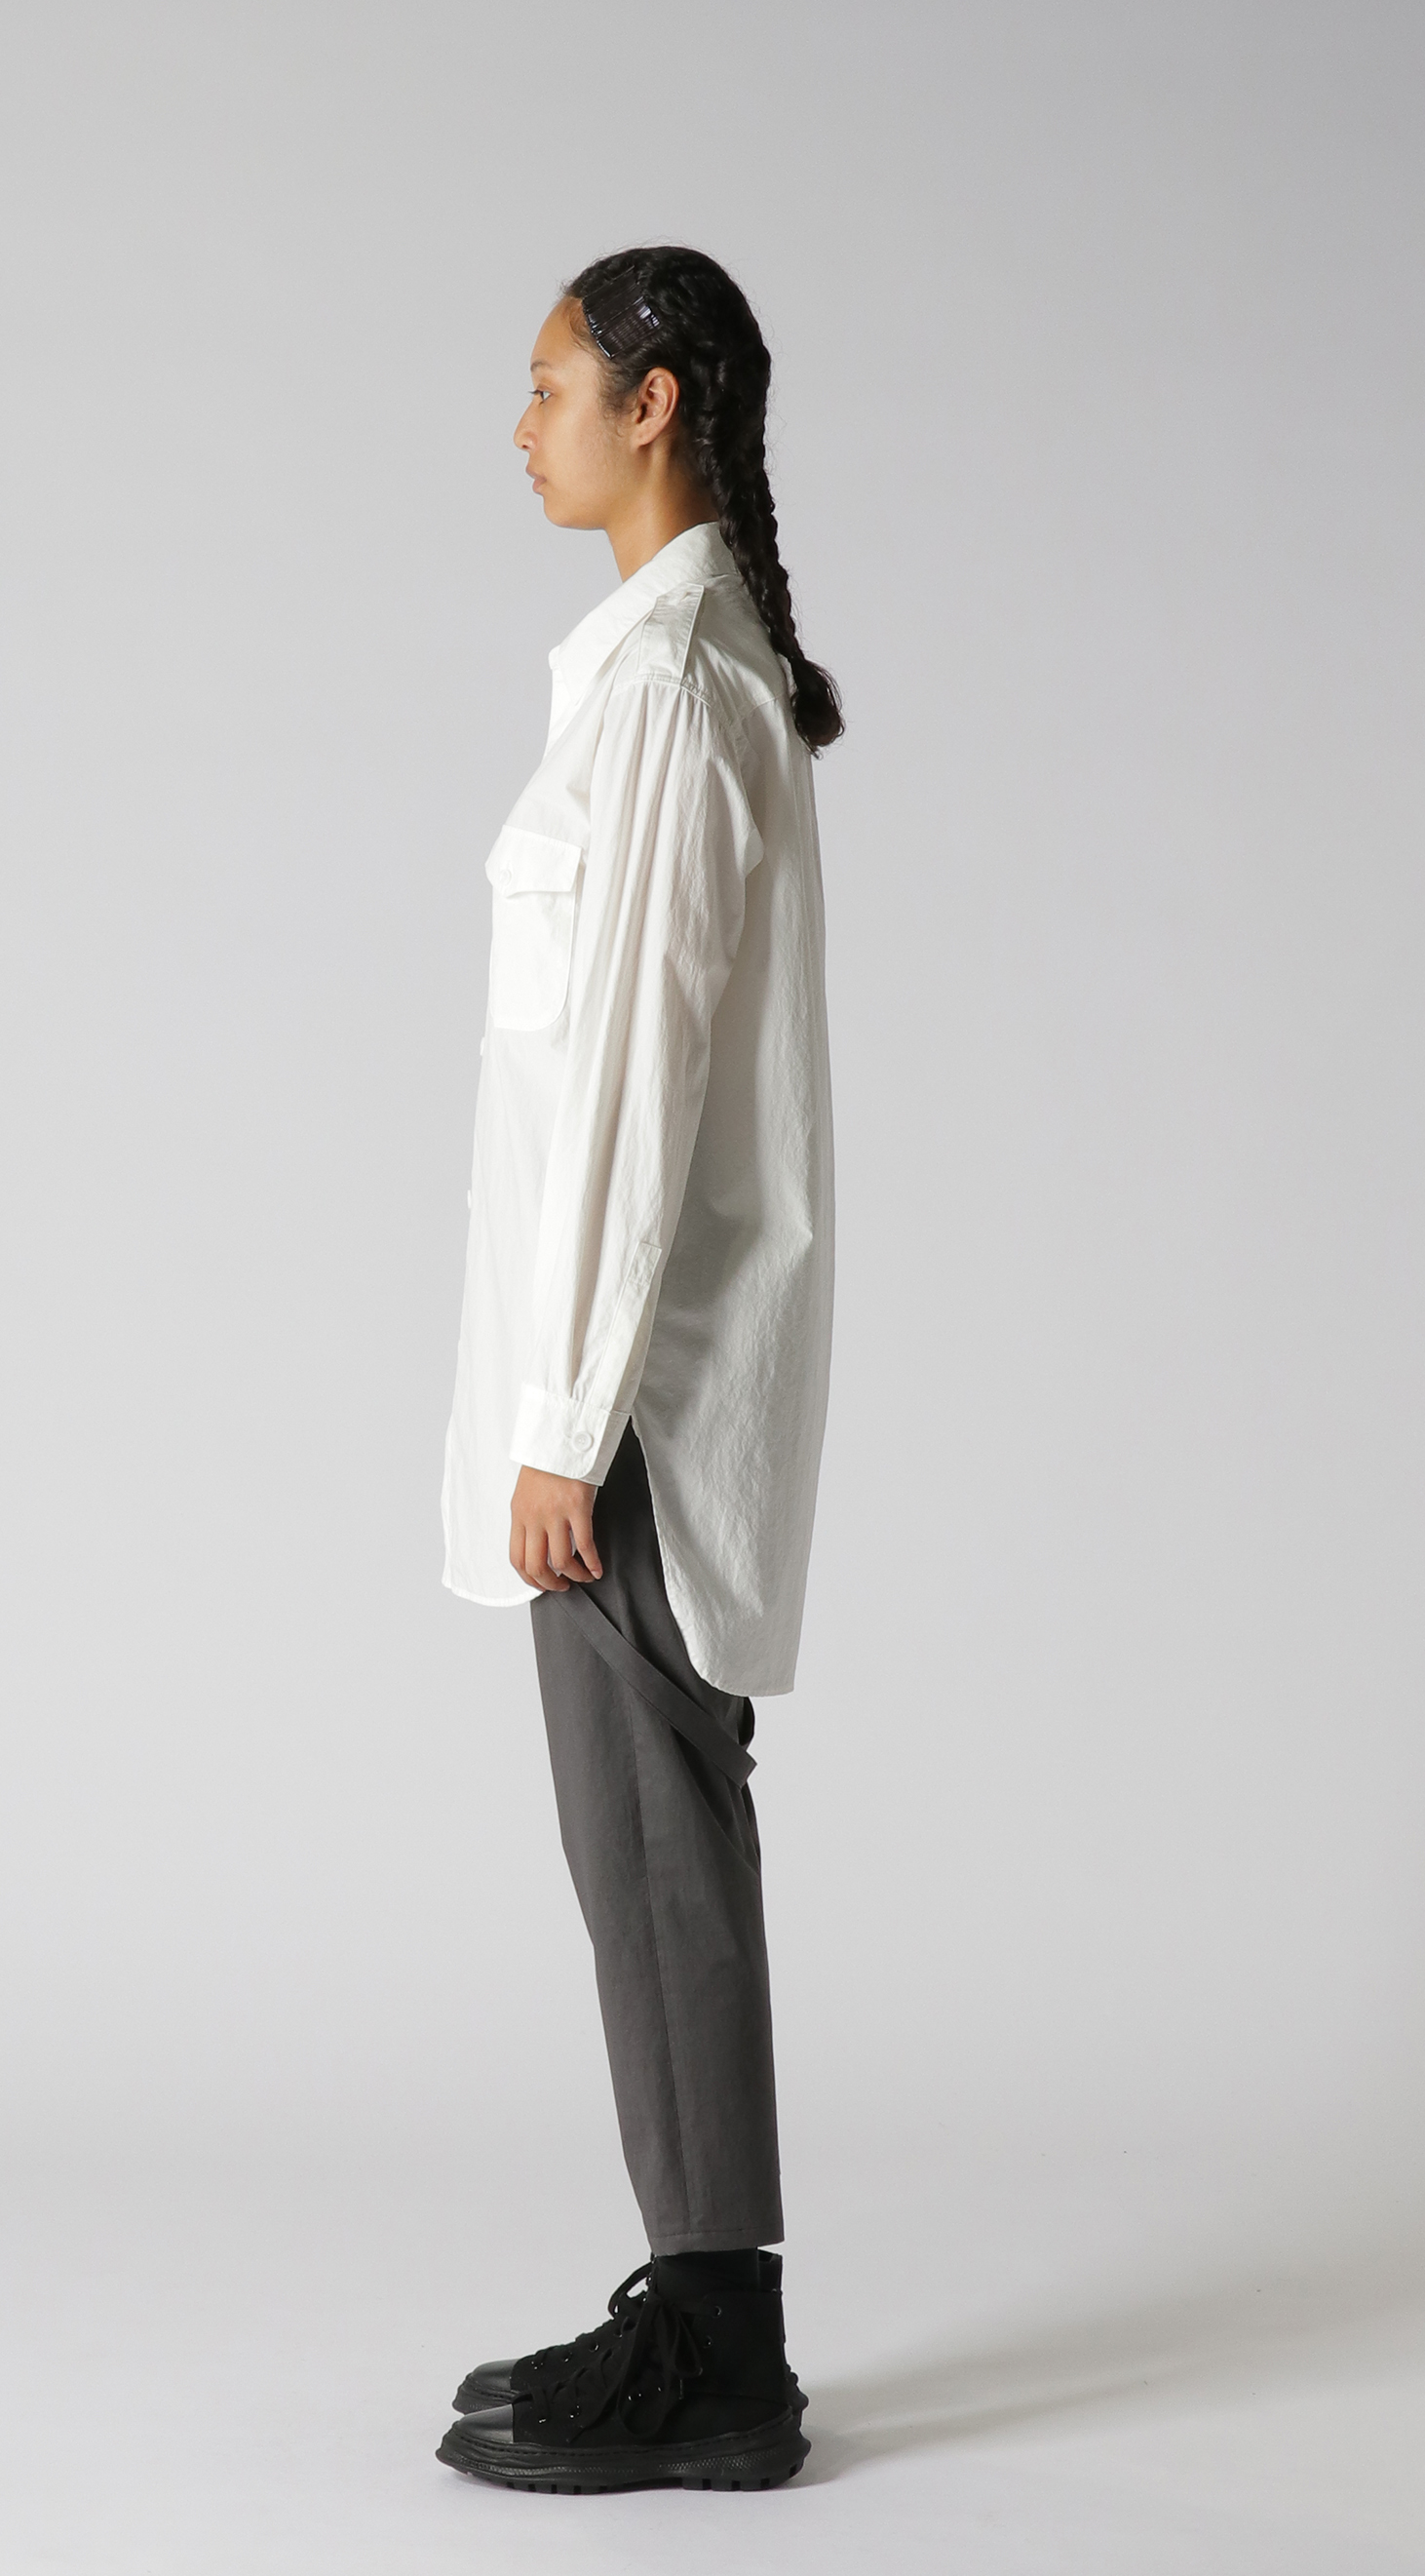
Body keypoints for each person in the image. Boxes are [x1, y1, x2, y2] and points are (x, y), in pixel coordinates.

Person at [436, 245, 839, 2496]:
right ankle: (700, 2312)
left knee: (660, 1847)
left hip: (636, 1407)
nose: (523, 430)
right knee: (641, 1847)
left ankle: (720, 2353)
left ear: (653, 402)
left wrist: (563, 1422)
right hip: (616, 1392)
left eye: (549, 385)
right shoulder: (650, 681)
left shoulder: (678, 694)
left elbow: (639, 1096)